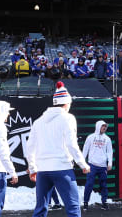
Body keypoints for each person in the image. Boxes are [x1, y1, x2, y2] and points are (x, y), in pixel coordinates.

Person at [25, 82, 90, 217]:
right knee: (72, 207)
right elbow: (71, 144)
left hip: (43, 170)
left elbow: (30, 146)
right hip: (62, 168)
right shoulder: (68, 118)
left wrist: (32, 168)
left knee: (40, 209)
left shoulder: (39, 121)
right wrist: (82, 164)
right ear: (66, 103)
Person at [82, 120, 113, 211]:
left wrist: (109, 163)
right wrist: (83, 164)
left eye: (105, 127)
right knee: (89, 184)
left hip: (103, 166)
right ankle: (85, 203)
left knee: (103, 185)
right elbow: (85, 150)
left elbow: (109, 152)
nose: (104, 128)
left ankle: (104, 203)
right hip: (92, 165)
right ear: (98, 126)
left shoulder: (107, 139)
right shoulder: (90, 137)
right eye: (103, 126)